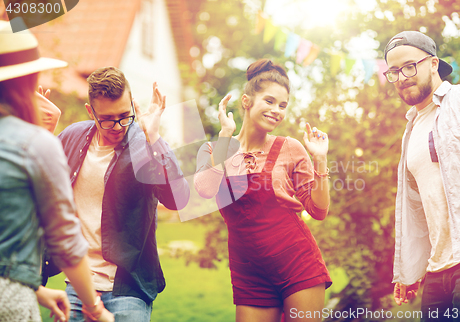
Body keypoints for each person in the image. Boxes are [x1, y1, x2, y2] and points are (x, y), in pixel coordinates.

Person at [42, 66, 190, 322]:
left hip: (128, 288)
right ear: (91, 111)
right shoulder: (72, 137)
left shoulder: (145, 142)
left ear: (132, 105)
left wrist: (154, 136)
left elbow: (178, 199)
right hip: (78, 285)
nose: (118, 126)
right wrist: (36, 128)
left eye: (125, 115)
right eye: (107, 119)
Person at [194, 59, 332, 322]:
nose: (276, 111)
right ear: (246, 102)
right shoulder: (213, 150)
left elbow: (319, 210)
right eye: (269, 101)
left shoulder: (290, 148)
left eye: (282, 105)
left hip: (298, 264)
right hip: (249, 273)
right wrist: (225, 135)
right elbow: (206, 190)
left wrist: (320, 160)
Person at [0, 19, 113, 322]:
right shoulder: (34, 143)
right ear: (26, 81)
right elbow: (65, 241)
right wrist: (95, 307)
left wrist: (38, 290)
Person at [384, 31, 460, 320]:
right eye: (394, 71)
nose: (402, 77)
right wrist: (410, 268)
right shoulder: (409, 131)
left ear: (433, 64)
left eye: (410, 66)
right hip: (437, 272)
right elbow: (417, 208)